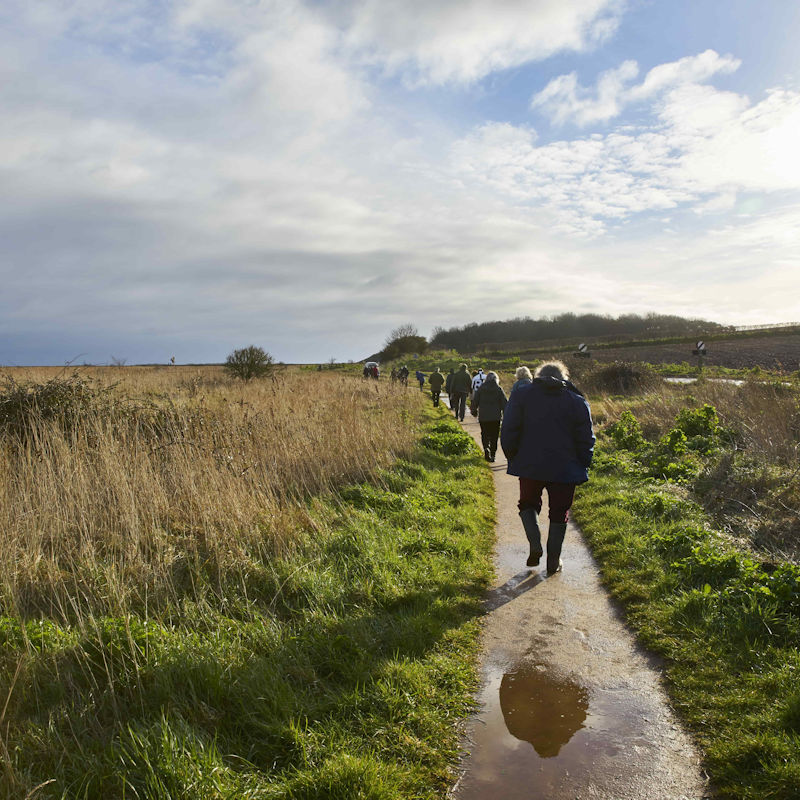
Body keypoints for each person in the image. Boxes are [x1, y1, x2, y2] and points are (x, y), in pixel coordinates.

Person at [500, 360, 594, 575]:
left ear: (538, 376)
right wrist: (583, 462)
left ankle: (535, 544)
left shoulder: (522, 396)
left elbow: (509, 429)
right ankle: (553, 560)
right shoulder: (577, 401)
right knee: (560, 512)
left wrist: (513, 456)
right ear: (564, 378)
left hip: (530, 465)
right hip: (566, 468)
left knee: (527, 504)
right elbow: (586, 438)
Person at [471, 371, 507, 461]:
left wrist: (474, 410)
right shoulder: (498, 389)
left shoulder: (481, 388)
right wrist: (506, 414)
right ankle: (493, 454)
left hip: (483, 416)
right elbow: (504, 403)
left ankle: (486, 449)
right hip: (496, 417)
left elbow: (475, 401)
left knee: (485, 433)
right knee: (494, 436)